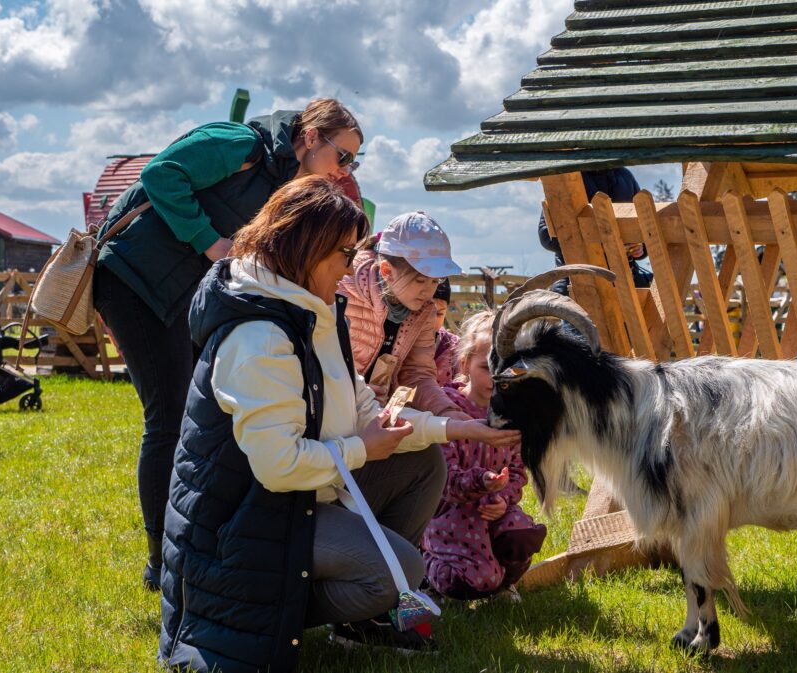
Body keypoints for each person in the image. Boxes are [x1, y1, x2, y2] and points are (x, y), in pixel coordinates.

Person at [158, 176, 520, 672]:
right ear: (305, 248)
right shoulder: (260, 336)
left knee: (421, 464)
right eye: (345, 255)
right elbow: (279, 468)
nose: (353, 267)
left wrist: (463, 429)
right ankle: (279, 609)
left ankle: (359, 610)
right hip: (243, 521)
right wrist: (361, 450)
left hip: (292, 498)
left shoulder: (316, 308)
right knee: (403, 570)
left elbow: (370, 413)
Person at [93, 98, 363, 591]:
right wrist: (211, 242)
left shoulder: (288, 185)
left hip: (185, 297)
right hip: (134, 281)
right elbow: (162, 174)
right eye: (342, 156)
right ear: (310, 138)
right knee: (169, 416)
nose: (344, 169)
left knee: (206, 417)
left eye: (352, 162)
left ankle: (198, 541)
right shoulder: (240, 144)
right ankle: (162, 561)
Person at [423, 310, 547, 603]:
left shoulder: (512, 415)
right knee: (478, 580)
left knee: (522, 535)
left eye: (508, 370)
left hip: (494, 508)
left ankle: (504, 582)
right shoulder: (448, 411)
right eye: (485, 367)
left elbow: (517, 472)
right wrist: (481, 482)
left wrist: (504, 498)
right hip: (451, 513)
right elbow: (444, 480)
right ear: (464, 364)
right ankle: (430, 570)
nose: (497, 378)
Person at [338, 212, 469, 419]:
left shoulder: (424, 311)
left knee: (431, 452)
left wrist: (448, 412)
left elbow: (417, 374)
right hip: (332, 413)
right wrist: (360, 396)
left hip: (375, 415)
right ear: (387, 271)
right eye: (420, 280)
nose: (429, 292)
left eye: (435, 281)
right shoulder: (344, 291)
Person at [537, 167, 653, 294]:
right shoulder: (566, 179)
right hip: (575, 279)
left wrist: (640, 247)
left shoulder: (625, 176)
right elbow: (546, 236)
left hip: (627, 278)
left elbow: (643, 228)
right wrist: (597, 246)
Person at [432, 279, 459, 387]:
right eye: (425, 312)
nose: (432, 320)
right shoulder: (401, 341)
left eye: (439, 314)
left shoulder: (453, 347)